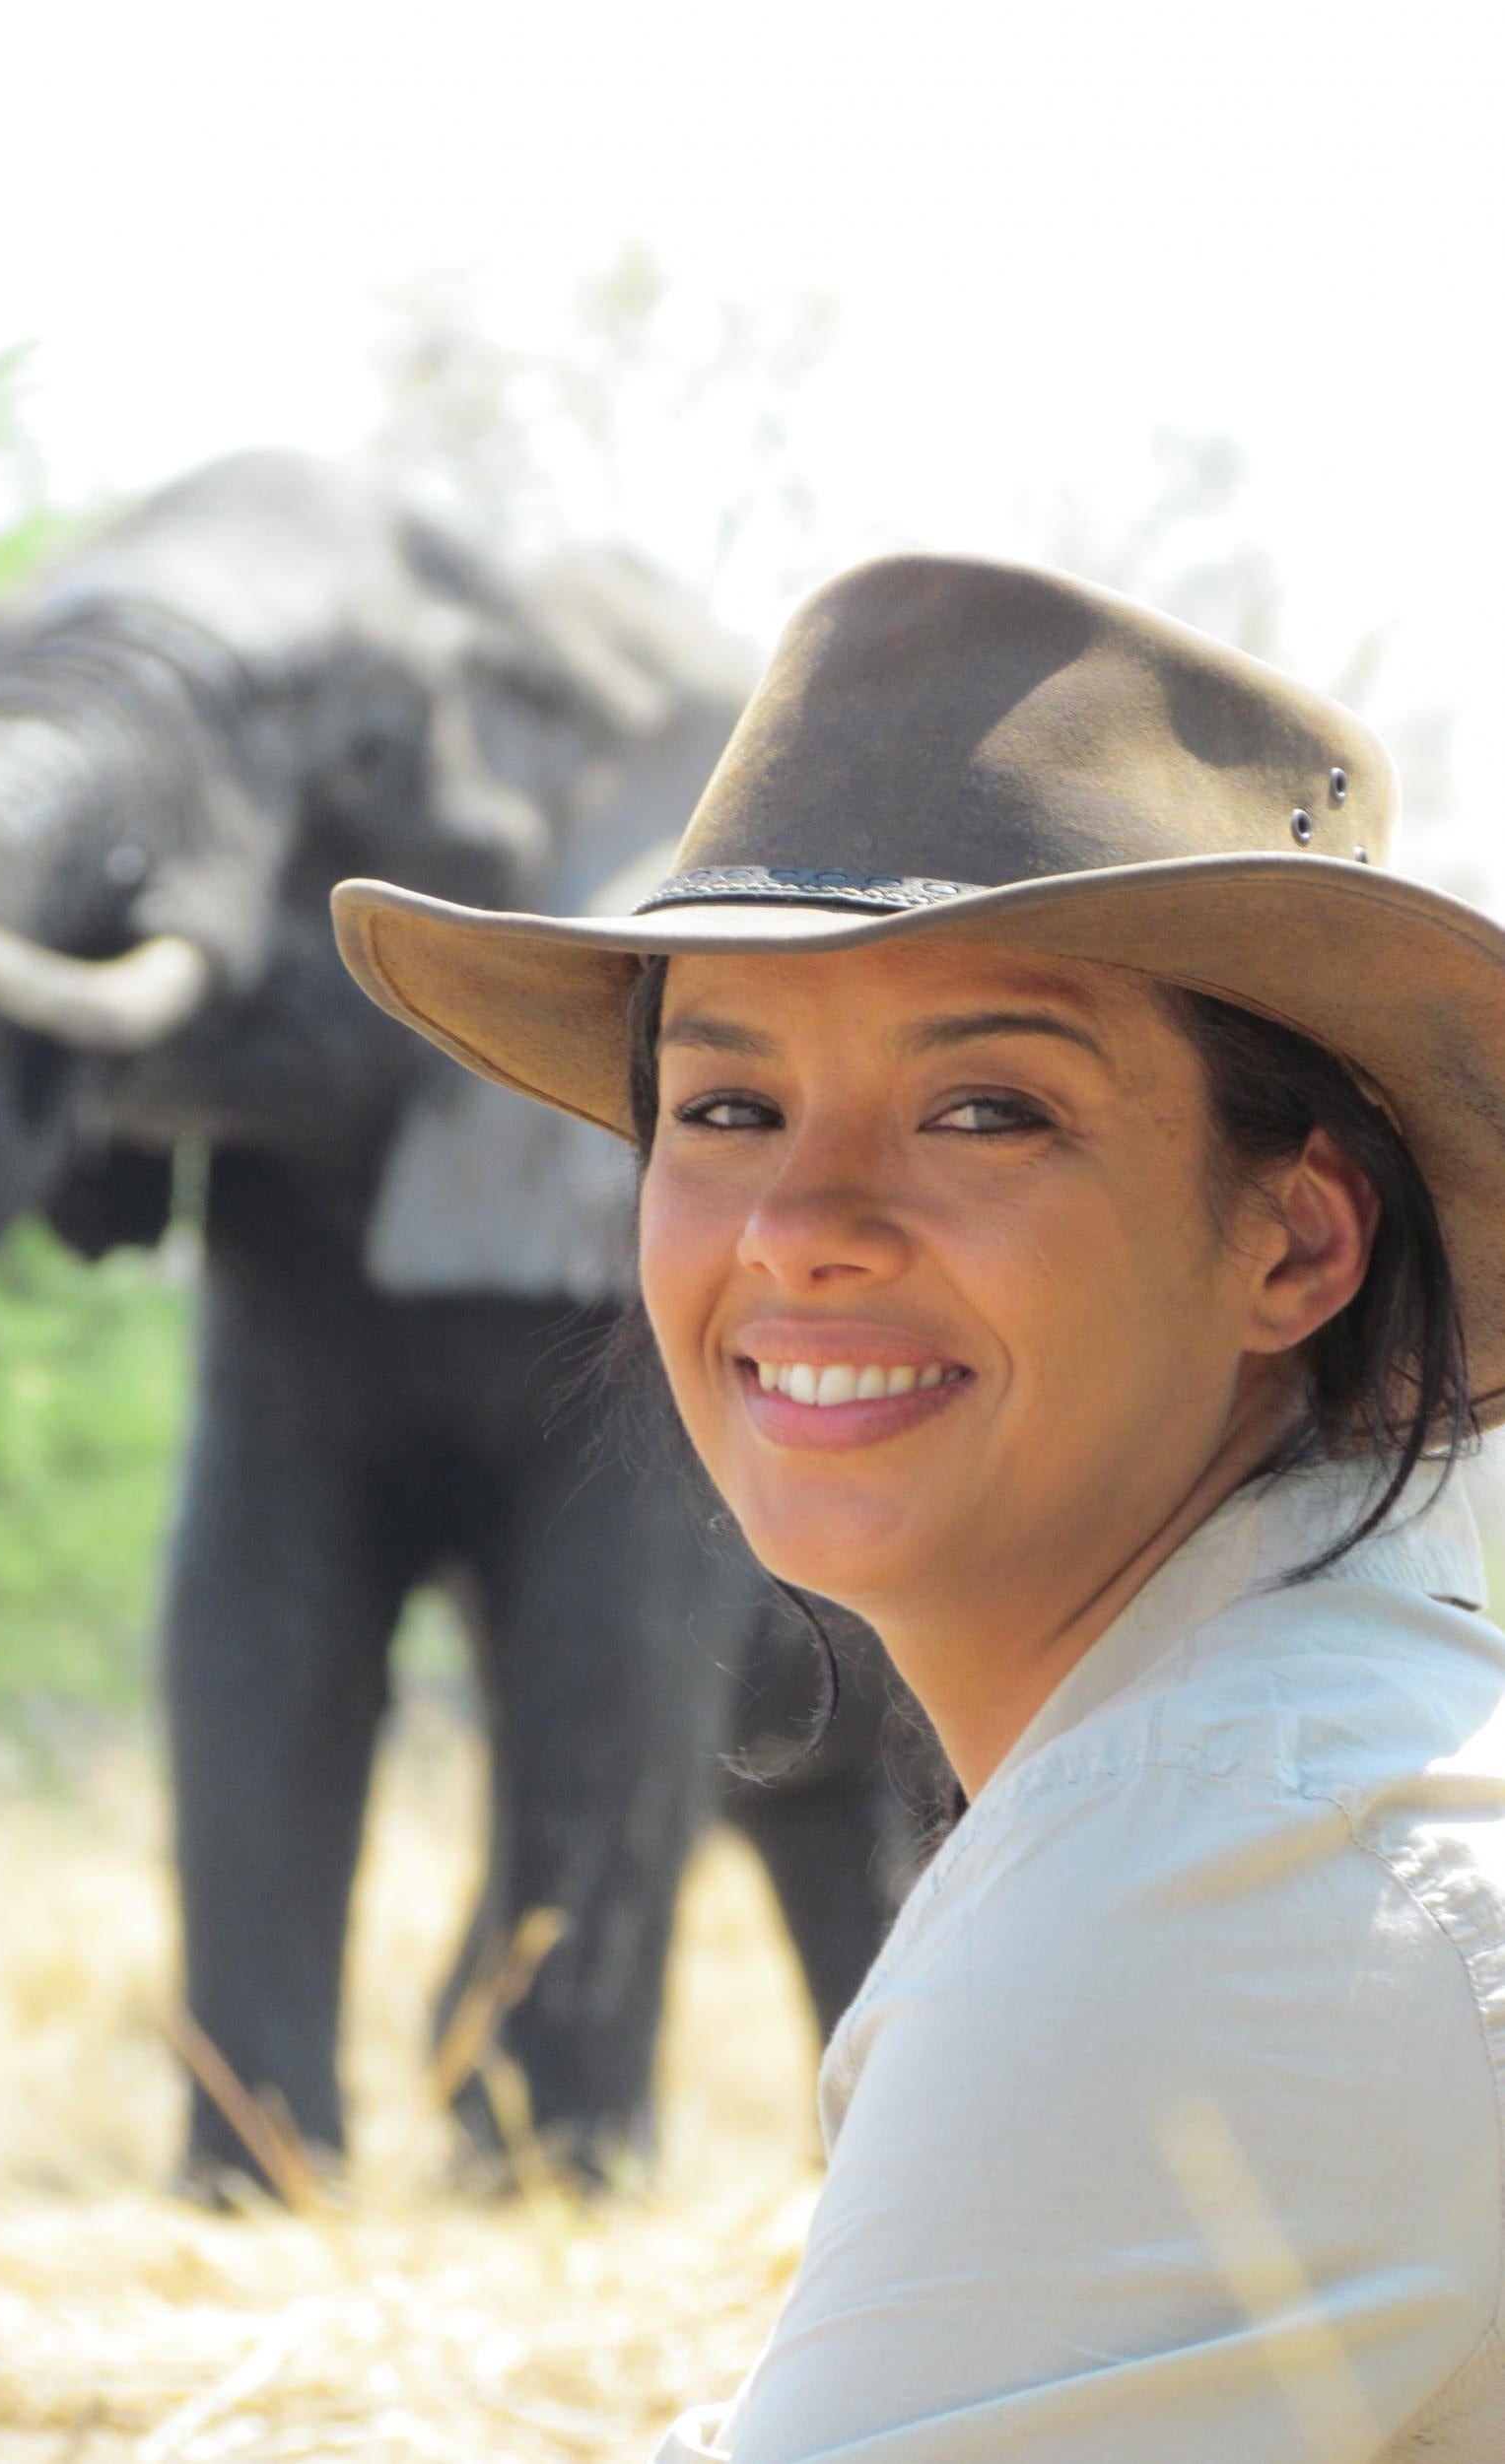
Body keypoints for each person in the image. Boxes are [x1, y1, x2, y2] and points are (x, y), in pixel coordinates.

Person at [332, 555, 1505, 2460]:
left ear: (1294, 1240)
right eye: (724, 1111)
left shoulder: (1225, 1873)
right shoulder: (1265, 1765)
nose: (802, 1228)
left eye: (987, 1111)